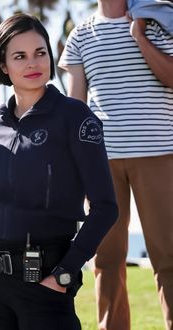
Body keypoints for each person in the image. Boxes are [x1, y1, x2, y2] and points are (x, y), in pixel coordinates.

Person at [0, 13, 118, 330]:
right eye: (20, 56)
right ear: (3, 65)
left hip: (45, 287)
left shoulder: (75, 117)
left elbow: (105, 208)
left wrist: (64, 274)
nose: (33, 63)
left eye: (40, 52)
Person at [58, 1, 173, 329]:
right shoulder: (80, 36)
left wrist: (139, 36)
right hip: (101, 162)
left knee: (168, 257)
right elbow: (76, 107)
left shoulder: (156, 22)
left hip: (159, 154)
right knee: (106, 260)